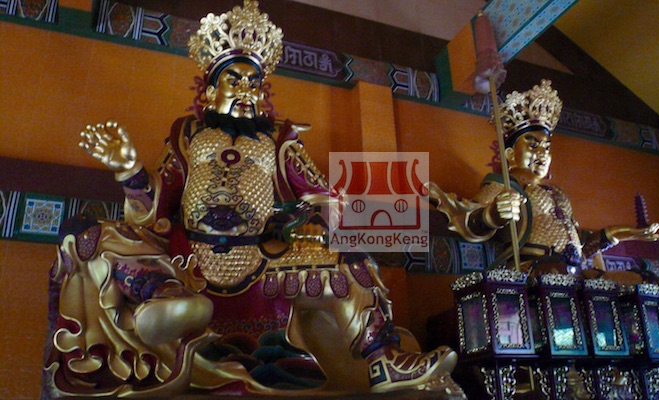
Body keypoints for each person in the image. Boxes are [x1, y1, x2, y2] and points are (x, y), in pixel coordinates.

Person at [43, 1, 459, 397]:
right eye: (234, 80)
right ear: (210, 91)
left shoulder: (279, 139)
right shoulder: (186, 134)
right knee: (89, 235)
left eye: (253, 83)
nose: (245, 89)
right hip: (188, 261)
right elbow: (157, 203)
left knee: (353, 260)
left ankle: (382, 361)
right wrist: (129, 168)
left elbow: (323, 195)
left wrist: (317, 218)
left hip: (263, 259)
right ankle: (164, 300)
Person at [429, 80, 659, 275]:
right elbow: (471, 220)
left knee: (632, 281)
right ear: (510, 154)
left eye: (546, 147)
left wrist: (625, 233)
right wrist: (494, 213)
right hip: (533, 270)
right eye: (533, 145)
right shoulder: (504, 185)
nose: (542, 153)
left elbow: (580, 244)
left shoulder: (558, 193)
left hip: (571, 271)